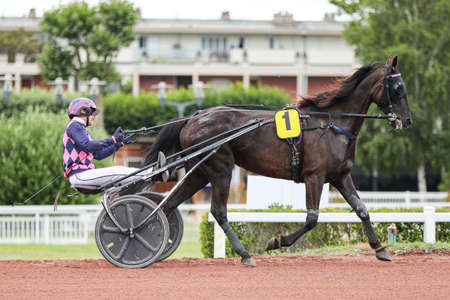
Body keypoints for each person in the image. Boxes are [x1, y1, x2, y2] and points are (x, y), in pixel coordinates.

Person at [62, 97, 151, 189]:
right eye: (92, 113)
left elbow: (99, 155)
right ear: (83, 111)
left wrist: (119, 144)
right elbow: (88, 146)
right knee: (117, 170)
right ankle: (149, 174)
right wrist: (113, 139)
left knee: (118, 174)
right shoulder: (75, 125)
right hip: (80, 174)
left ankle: (148, 174)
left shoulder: (80, 129)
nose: (93, 117)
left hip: (83, 174)